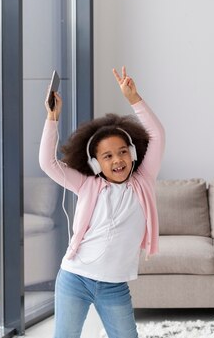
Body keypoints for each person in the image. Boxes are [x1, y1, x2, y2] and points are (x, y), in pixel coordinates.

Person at [39, 67, 165, 338]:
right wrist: (52, 118)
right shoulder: (87, 185)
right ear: (96, 164)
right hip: (75, 278)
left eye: (122, 152)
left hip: (114, 286)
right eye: (107, 156)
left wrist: (134, 98)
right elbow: (47, 163)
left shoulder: (143, 180)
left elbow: (157, 135)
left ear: (132, 154)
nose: (117, 160)